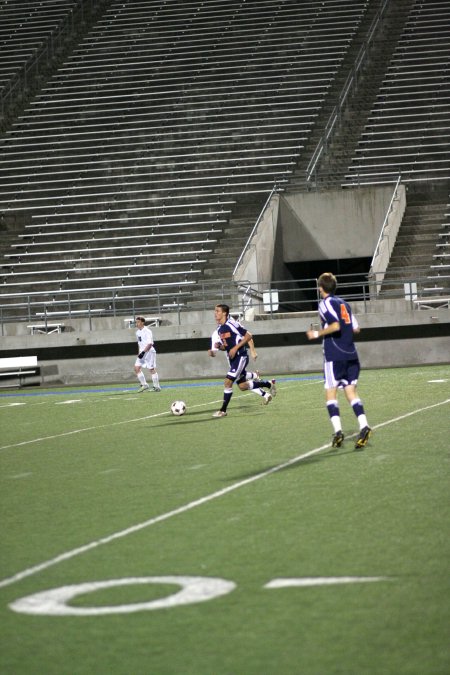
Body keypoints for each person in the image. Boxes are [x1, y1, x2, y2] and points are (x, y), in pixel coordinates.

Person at [306, 272, 371, 449]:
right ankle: (364, 426)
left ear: (320, 288)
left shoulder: (325, 304)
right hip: (351, 354)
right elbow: (356, 329)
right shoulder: (344, 304)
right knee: (351, 393)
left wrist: (317, 333)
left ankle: (338, 431)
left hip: (334, 356)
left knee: (330, 394)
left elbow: (336, 325)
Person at [210, 304, 276, 417]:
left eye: (217, 311)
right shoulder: (220, 329)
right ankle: (268, 384)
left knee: (227, 382)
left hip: (241, 357)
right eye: (215, 311)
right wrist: (218, 347)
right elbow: (227, 347)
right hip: (233, 359)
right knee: (242, 386)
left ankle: (223, 411)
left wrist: (237, 348)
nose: (215, 313)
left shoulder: (231, 324)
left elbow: (248, 336)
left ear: (224, 313)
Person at [134, 316, 161, 392]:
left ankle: (157, 387)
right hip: (142, 352)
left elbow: (149, 344)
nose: (137, 324)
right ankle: (144, 385)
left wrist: (143, 352)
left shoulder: (147, 331)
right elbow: (140, 343)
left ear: (142, 322)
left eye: (138, 322)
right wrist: (139, 352)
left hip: (149, 352)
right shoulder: (137, 332)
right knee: (136, 368)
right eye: (136, 322)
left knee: (151, 369)